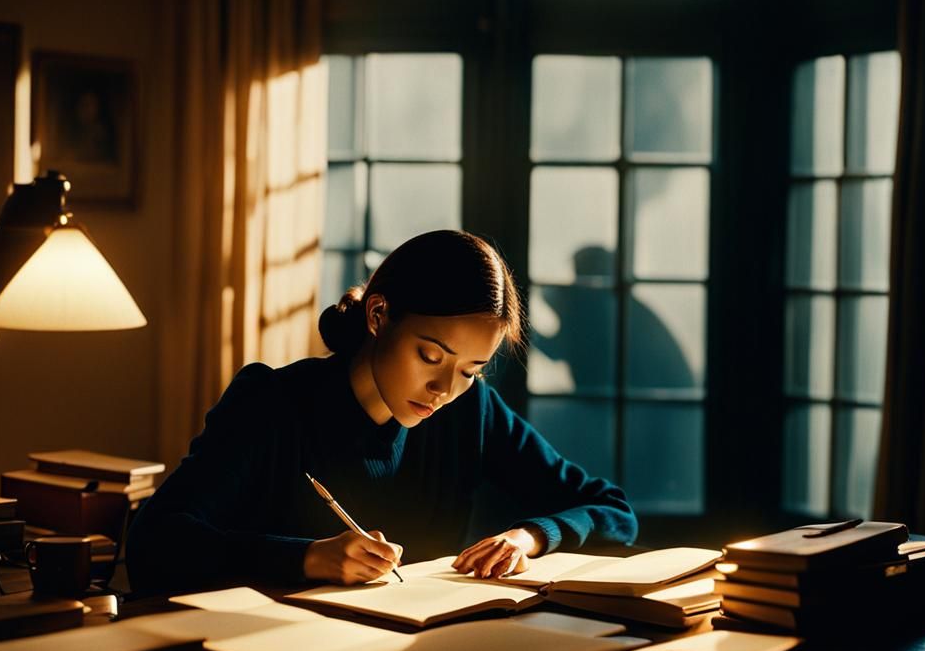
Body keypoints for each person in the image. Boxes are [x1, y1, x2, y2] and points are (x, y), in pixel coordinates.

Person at [125, 229, 637, 597]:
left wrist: (527, 537)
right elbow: (154, 543)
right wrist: (308, 557)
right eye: (430, 356)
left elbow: (613, 511)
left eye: (470, 369)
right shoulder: (273, 404)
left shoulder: (470, 410)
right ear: (378, 316)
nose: (443, 389)